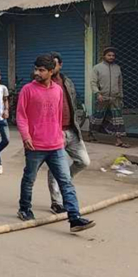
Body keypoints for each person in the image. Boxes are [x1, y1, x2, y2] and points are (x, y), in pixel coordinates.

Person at [16, 54, 97, 237]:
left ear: (51, 72)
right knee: (29, 179)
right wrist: (25, 136)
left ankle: (74, 218)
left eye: (41, 70)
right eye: (35, 69)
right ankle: (24, 208)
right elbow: (21, 116)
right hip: (35, 145)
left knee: (66, 182)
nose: (37, 73)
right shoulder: (27, 90)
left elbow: (59, 116)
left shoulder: (58, 90)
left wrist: (59, 136)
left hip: (55, 145)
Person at [47, 52, 91, 214]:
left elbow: (73, 102)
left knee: (84, 161)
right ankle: (56, 201)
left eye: (55, 64)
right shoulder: (44, 83)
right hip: (55, 133)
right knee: (56, 167)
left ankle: (64, 181)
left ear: (60, 65)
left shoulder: (67, 82)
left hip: (72, 130)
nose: (52, 67)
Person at [90, 47, 130, 148]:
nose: (111, 57)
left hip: (115, 98)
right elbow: (93, 83)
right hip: (102, 97)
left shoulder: (117, 68)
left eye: (113, 55)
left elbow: (120, 83)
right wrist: (97, 94)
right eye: (109, 55)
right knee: (98, 117)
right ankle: (92, 134)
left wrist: (121, 96)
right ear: (104, 56)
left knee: (118, 119)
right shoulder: (97, 68)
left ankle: (119, 139)